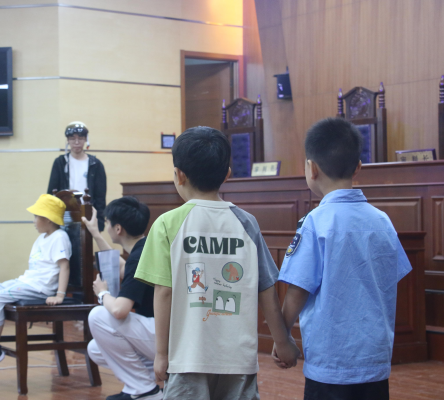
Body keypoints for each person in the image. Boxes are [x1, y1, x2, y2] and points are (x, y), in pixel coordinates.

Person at [134, 126, 300, 400]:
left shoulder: (166, 224)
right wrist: (283, 342)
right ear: (227, 175)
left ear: (178, 175)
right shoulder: (247, 223)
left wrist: (161, 353)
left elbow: (163, 292)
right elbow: (266, 288)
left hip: (187, 358)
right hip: (238, 359)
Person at [274, 118, 412, 400]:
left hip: (330, 362)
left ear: (311, 168)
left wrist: (282, 336)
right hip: (374, 359)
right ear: (358, 167)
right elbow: (392, 275)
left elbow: (298, 289)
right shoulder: (382, 221)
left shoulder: (315, 222)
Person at [0, 194, 72, 372]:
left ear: (48, 219)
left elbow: (64, 266)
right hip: (28, 282)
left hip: (41, 287)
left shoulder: (59, 237)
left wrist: (59, 295)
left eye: (36, 217)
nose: (34, 221)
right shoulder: (42, 237)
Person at [82, 197, 162, 400]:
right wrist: (96, 234)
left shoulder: (139, 256)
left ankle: (146, 392)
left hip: (164, 337)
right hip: (166, 333)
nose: (106, 226)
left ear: (118, 229)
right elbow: (122, 267)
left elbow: (120, 310)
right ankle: (146, 385)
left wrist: (102, 293)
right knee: (95, 349)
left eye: (107, 223)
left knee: (98, 315)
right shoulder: (147, 248)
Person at [48, 121, 107, 231]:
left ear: (85, 139)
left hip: (87, 212)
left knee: (85, 240)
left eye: (80, 138)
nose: (76, 142)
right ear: (67, 140)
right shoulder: (60, 162)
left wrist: (99, 222)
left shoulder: (95, 164)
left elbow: (100, 197)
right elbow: (51, 192)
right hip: (65, 213)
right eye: (72, 138)